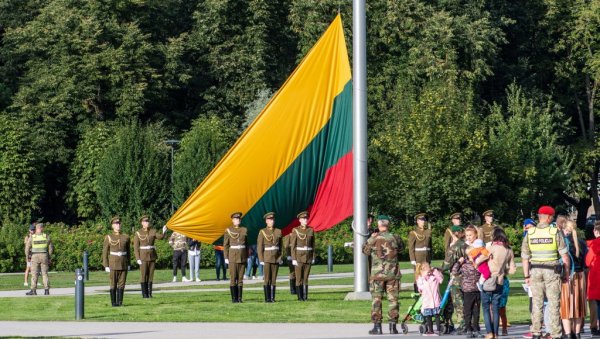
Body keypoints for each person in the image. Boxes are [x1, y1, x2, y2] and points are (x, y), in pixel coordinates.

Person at [522, 206, 570, 339]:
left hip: (535, 271)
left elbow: (525, 257)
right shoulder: (554, 232)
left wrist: (526, 276)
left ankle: (536, 332)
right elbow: (565, 257)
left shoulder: (530, 233)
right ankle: (555, 334)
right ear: (549, 217)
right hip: (552, 272)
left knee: (537, 303)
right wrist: (566, 275)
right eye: (552, 217)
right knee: (554, 303)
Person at [362, 215, 404, 335]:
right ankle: (393, 326)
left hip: (377, 275)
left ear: (379, 224)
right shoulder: (395, 237)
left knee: (376, 300)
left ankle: (377, 327)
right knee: (393, 300)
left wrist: (371, 238)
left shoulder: (374, 238)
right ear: (388, 224)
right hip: (392, 274)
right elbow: (401, 249)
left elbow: (365, 251)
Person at [482, 228, 516, 339]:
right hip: (500, 281)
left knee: (486, 308)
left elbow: (480, 259)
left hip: (488, 280)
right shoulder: (509, 250)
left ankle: (489, 333)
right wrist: (503, 270)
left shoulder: (491, 248)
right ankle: (496, 334)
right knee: (496, 308)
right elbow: (512, 270)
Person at [453, 226, 484, 338]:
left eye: (473, 253)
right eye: (470, 254)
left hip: (477, 289)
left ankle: (476, 328)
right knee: (467, 311)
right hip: (467, 290)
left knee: (476, 311)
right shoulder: (465, 264)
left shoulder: (478, 263)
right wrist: (459, 262)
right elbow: (455, 271)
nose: (471, 255)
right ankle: (468, 329)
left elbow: (483, 272)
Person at [560, 220, 587, 339]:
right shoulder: (582, 243)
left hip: (568, 276)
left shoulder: (564, 242)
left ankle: (568, 333)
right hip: (580, 276)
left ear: (565, 229)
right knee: (578, 306)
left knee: (566, 306)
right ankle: (577, 333)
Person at [442, 224, 467, 334]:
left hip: (456, 277)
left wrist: (439, 269)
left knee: (458, 302)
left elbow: (447, 264)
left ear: (454, 234)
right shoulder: (466, 246)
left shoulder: (453, 247)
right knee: (468, 301)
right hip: (468, 277)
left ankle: (462, 324)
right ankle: (470, 323)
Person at [133, 215, 167, 298]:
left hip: (152, 256)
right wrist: (137, 258)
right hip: (143, 257)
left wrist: (164, 231)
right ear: (142, 223)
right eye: (145, 221)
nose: (147, 223)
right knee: (143, 275)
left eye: (148, 221)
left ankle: (150, 293)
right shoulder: (138, 233)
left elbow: (160, 237)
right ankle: (144, 294)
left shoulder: (153, 231)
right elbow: (136, 247)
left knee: (151, 275)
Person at [102, 216, 130, 306]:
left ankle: (120, 302)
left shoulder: (125, 237)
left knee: (122, 284)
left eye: (119, 223)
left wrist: (129, 263)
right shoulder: (109, 237)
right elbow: (105, 252)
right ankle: (113, 303)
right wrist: (106, 265)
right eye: (116, 223)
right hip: (113, 264)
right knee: (113, 284)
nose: (118, 225)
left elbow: (128, 252)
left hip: (123, 263)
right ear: (112, 226)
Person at [257, 211, 283, 302]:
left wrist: (280, 257)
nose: (271, 221)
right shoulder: (262, 232)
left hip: (276, 257)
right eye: (269, 219)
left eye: (272, 219)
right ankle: (267, 298)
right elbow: (260, 247)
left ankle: (273, 298)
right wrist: (261, 259)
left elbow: (280, 246)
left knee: (274, 279)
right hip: (266, 257)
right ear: (266, 221)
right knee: (267, 279)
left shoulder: (278, 231)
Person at [290, 210, 316, 301]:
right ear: (300, 220)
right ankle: (300, 297)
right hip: (299, 257)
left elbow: (313, 245)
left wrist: (313, 256)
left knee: (306, 278)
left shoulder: (311, 230)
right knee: (298, 278)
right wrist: (293, 258)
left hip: (308, 257)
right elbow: (293, 246)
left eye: (306, 218)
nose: (306, 220)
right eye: (304, 218)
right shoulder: (295, 230)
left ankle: (305, 296)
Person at [223, 211, 248, 303]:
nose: (238, 220)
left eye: (239, 219)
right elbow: (225, 245)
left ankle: (240, 298)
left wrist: (246, 256)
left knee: (240, 279)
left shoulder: (244, 230)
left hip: (242, 256)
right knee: (233, 278)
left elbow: (246, 244)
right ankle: (234, 298)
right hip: (232, 257)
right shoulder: (228, 230)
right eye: (236, 219)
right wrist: (226, 257)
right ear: (232, 220)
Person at [25, 222, 53, 296]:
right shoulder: (46, 236)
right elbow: (50, 248)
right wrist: (49, 257)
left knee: (34, 274)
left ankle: (33, 290)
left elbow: (27, 248)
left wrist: (27, 257)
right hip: (44, 256)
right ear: (42, 228)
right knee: (44, 274)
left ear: (36, 229)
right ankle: (46, 290)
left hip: (35, 256)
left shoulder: (32, 237)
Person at [408, 213, 432, 292]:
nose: (423, 221)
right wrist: (412, 259)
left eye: (424, 220)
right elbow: (411, 247)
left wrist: (430, 257)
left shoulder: (428, 232)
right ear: (417, 221)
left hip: (426, 257)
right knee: (418, 276)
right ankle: (417, 292)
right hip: (418, 257)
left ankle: (426, 292)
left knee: (427, 275)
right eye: (421, 220)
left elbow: (430, 246)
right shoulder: (413, 233)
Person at [418, 262, 443, 336]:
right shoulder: (421, 279)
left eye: (428, 270)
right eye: (425, 270)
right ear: (422, 271)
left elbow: (441, 279)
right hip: (427, 302)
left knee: (437, 315)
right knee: (428, 316)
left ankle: (438, 330)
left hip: (435, 300)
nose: (428, 272)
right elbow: (420, 287)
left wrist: (435, 271)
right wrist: (424, 276)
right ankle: (430, 330)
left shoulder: (434, 277)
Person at [586, 221, 600, 338]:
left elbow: (587, 261)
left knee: (594, 303)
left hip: (595, 276)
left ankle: (594, 326)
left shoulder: (593, 245)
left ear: (595, 231)